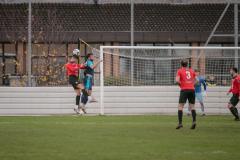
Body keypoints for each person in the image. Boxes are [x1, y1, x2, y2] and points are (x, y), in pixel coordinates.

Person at [175, 59, 197, 129]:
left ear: (181, 64)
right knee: (192, 106)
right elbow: (197, 80)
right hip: (192, 89)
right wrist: (193, 85)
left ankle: (180, 123)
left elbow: (177, 81)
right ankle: (194, 121)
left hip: (184, 90)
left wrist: (180, 85)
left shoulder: (179, 71)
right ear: (187, 64)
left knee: (180, 106)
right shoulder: (191, 70)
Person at [65, 50, 86, 114]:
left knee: (78, 93)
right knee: (83, 88)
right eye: (74, 58)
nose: (75, 60)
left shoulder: (76, 64)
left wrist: (85, 65)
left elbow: (81, 67)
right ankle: (84, 103)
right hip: (72, 79)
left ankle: (76, 107)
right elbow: (73, 69)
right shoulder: (68, 64)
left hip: (76, 79)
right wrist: (79, 66)